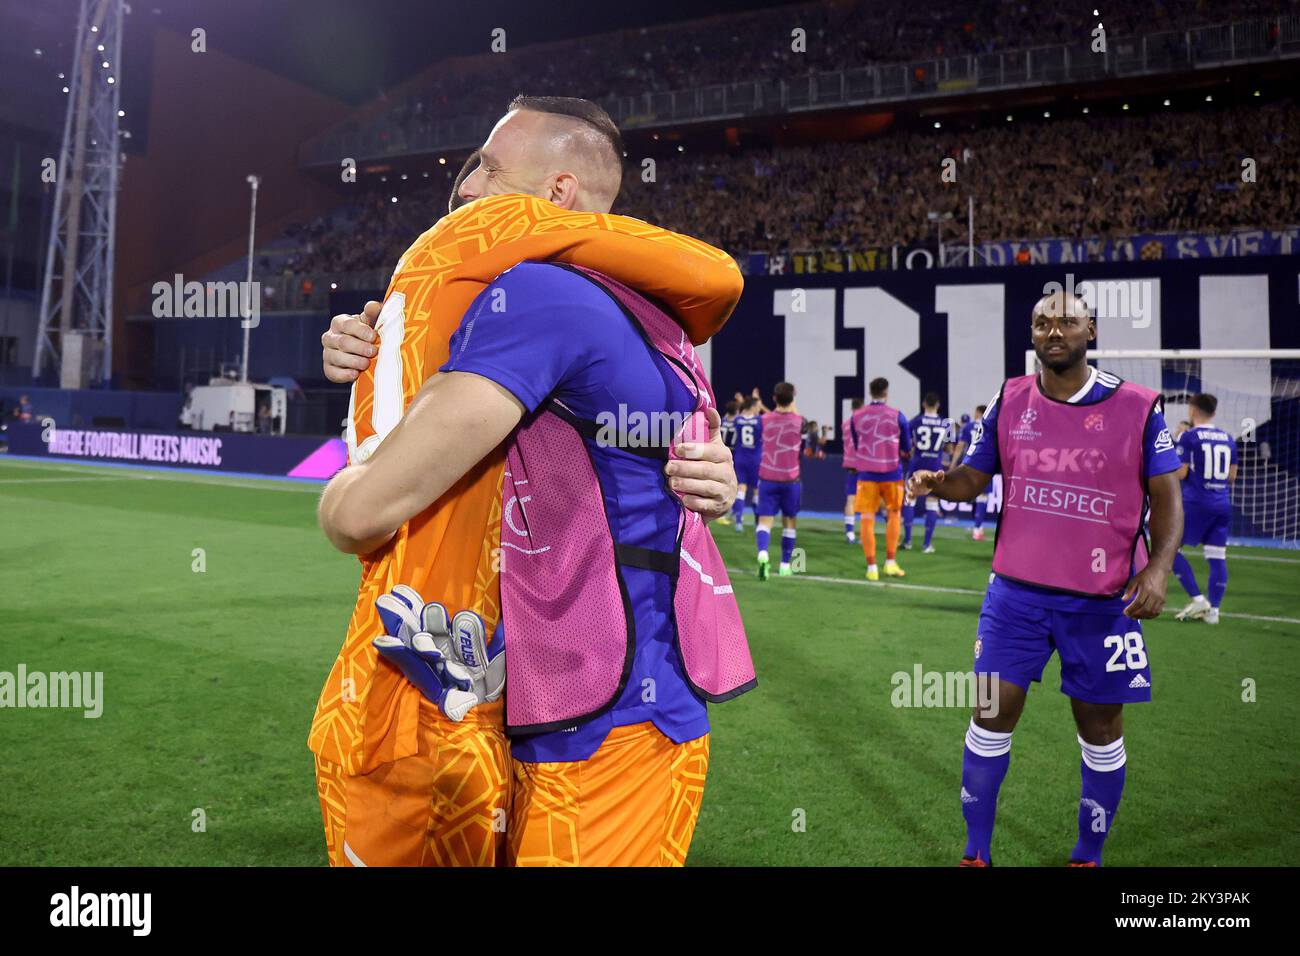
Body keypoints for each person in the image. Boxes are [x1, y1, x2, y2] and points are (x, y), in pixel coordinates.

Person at [311, 96, 745, 868]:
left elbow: (362, 514)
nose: (464, 190)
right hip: (608, 697)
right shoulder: (656, 314)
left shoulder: (541, 297)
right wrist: (378, 358)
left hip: (597, 710)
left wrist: (349, 481)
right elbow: (662, 461)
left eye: (486, 168)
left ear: (557, 197)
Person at [908, 290, 1182, 867]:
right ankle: (975, 854)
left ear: (1091, 332)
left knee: (1101, 729)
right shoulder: (1008, 400)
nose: (1053, 331)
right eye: (1041, 323)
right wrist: (940, 482)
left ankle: (1087, 856)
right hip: (1015, 596)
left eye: (1067, 322)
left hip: (1104, 603)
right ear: (1031, 335)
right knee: (987, 713)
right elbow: (972, 480)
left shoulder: (1136, 406)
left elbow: (1166, 496)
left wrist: (1157, 568)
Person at [1171, 393, 1238, 625]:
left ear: (1191, 410)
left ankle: (1198, 598)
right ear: (1214, 413)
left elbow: (1180, 472)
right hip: (1222, 504)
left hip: (1196, 503)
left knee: (1168, 550)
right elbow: (1232, 476)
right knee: (1217, 557)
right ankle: (1214, 612)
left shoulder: (1189, 437)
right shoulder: (1228, 438)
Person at [851, 377, 911, 580]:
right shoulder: (897, 416)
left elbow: (857, 441)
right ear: (886, 392)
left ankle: (871, 568)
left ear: (871, 392)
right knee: (894, 514)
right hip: (892, 473)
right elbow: (906, 447)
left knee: (867, 518)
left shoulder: (856, 416)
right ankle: (890, 562)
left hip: (867, 473)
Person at [755, 382, 802, 579]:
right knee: (789, 523)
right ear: (793, 399)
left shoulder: (763, 420)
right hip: (791, 480)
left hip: (767, 478)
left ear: (774, 398)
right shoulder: (800, 421)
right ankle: (785, 565)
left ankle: (763, 554)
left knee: (765, 522)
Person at [902, 392, 952, 554]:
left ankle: (908, 541)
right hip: (935, 468)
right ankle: (926, 544)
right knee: (932, 504)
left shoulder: (915, 421)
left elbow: (907, 444)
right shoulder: (947, 423)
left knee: (910, 501)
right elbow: (949, 449)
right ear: (938, 405)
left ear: (924, 404)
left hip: (916, 466)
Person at [950, 405, 990, 539]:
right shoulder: (991, 425)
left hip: (970, 465)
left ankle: (978, 527)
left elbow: (960, 446)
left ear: (978, 413)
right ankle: (977, 529)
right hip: (986, 465)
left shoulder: (968, 426)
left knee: (976, 496)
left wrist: (953, 464)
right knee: (982, 497)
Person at [727, 396, 763, 533]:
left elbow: (740, 416)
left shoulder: (737, 420)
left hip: (741, 457)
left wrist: (742, 402)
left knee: (741, 490)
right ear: (753, 407)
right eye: (757, 406)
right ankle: (758, 522)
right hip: (755, 459)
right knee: (756, 490)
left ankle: (739, 522)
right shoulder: (759, 420)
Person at [841, 397, 865, 543]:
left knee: (850, 499)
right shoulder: (864, 424)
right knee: (866, 501)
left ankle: (850, 534)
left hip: (850, 464)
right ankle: (864, 534)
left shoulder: (845, 424)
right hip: (863, 464)